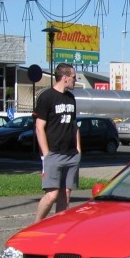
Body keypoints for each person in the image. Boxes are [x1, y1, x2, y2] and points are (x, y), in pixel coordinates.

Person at [34, 63, 79, 222]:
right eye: (74, 77)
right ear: (64, 77)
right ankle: (36, 225)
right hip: (53, 153)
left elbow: (74, 126)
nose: (75, 80)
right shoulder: (47, 97)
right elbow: (39, 127)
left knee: (65, 194)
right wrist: (46, 154)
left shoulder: (71, 98)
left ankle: (58, 227)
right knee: (52, 194)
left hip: (71, 154)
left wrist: (78, 150)